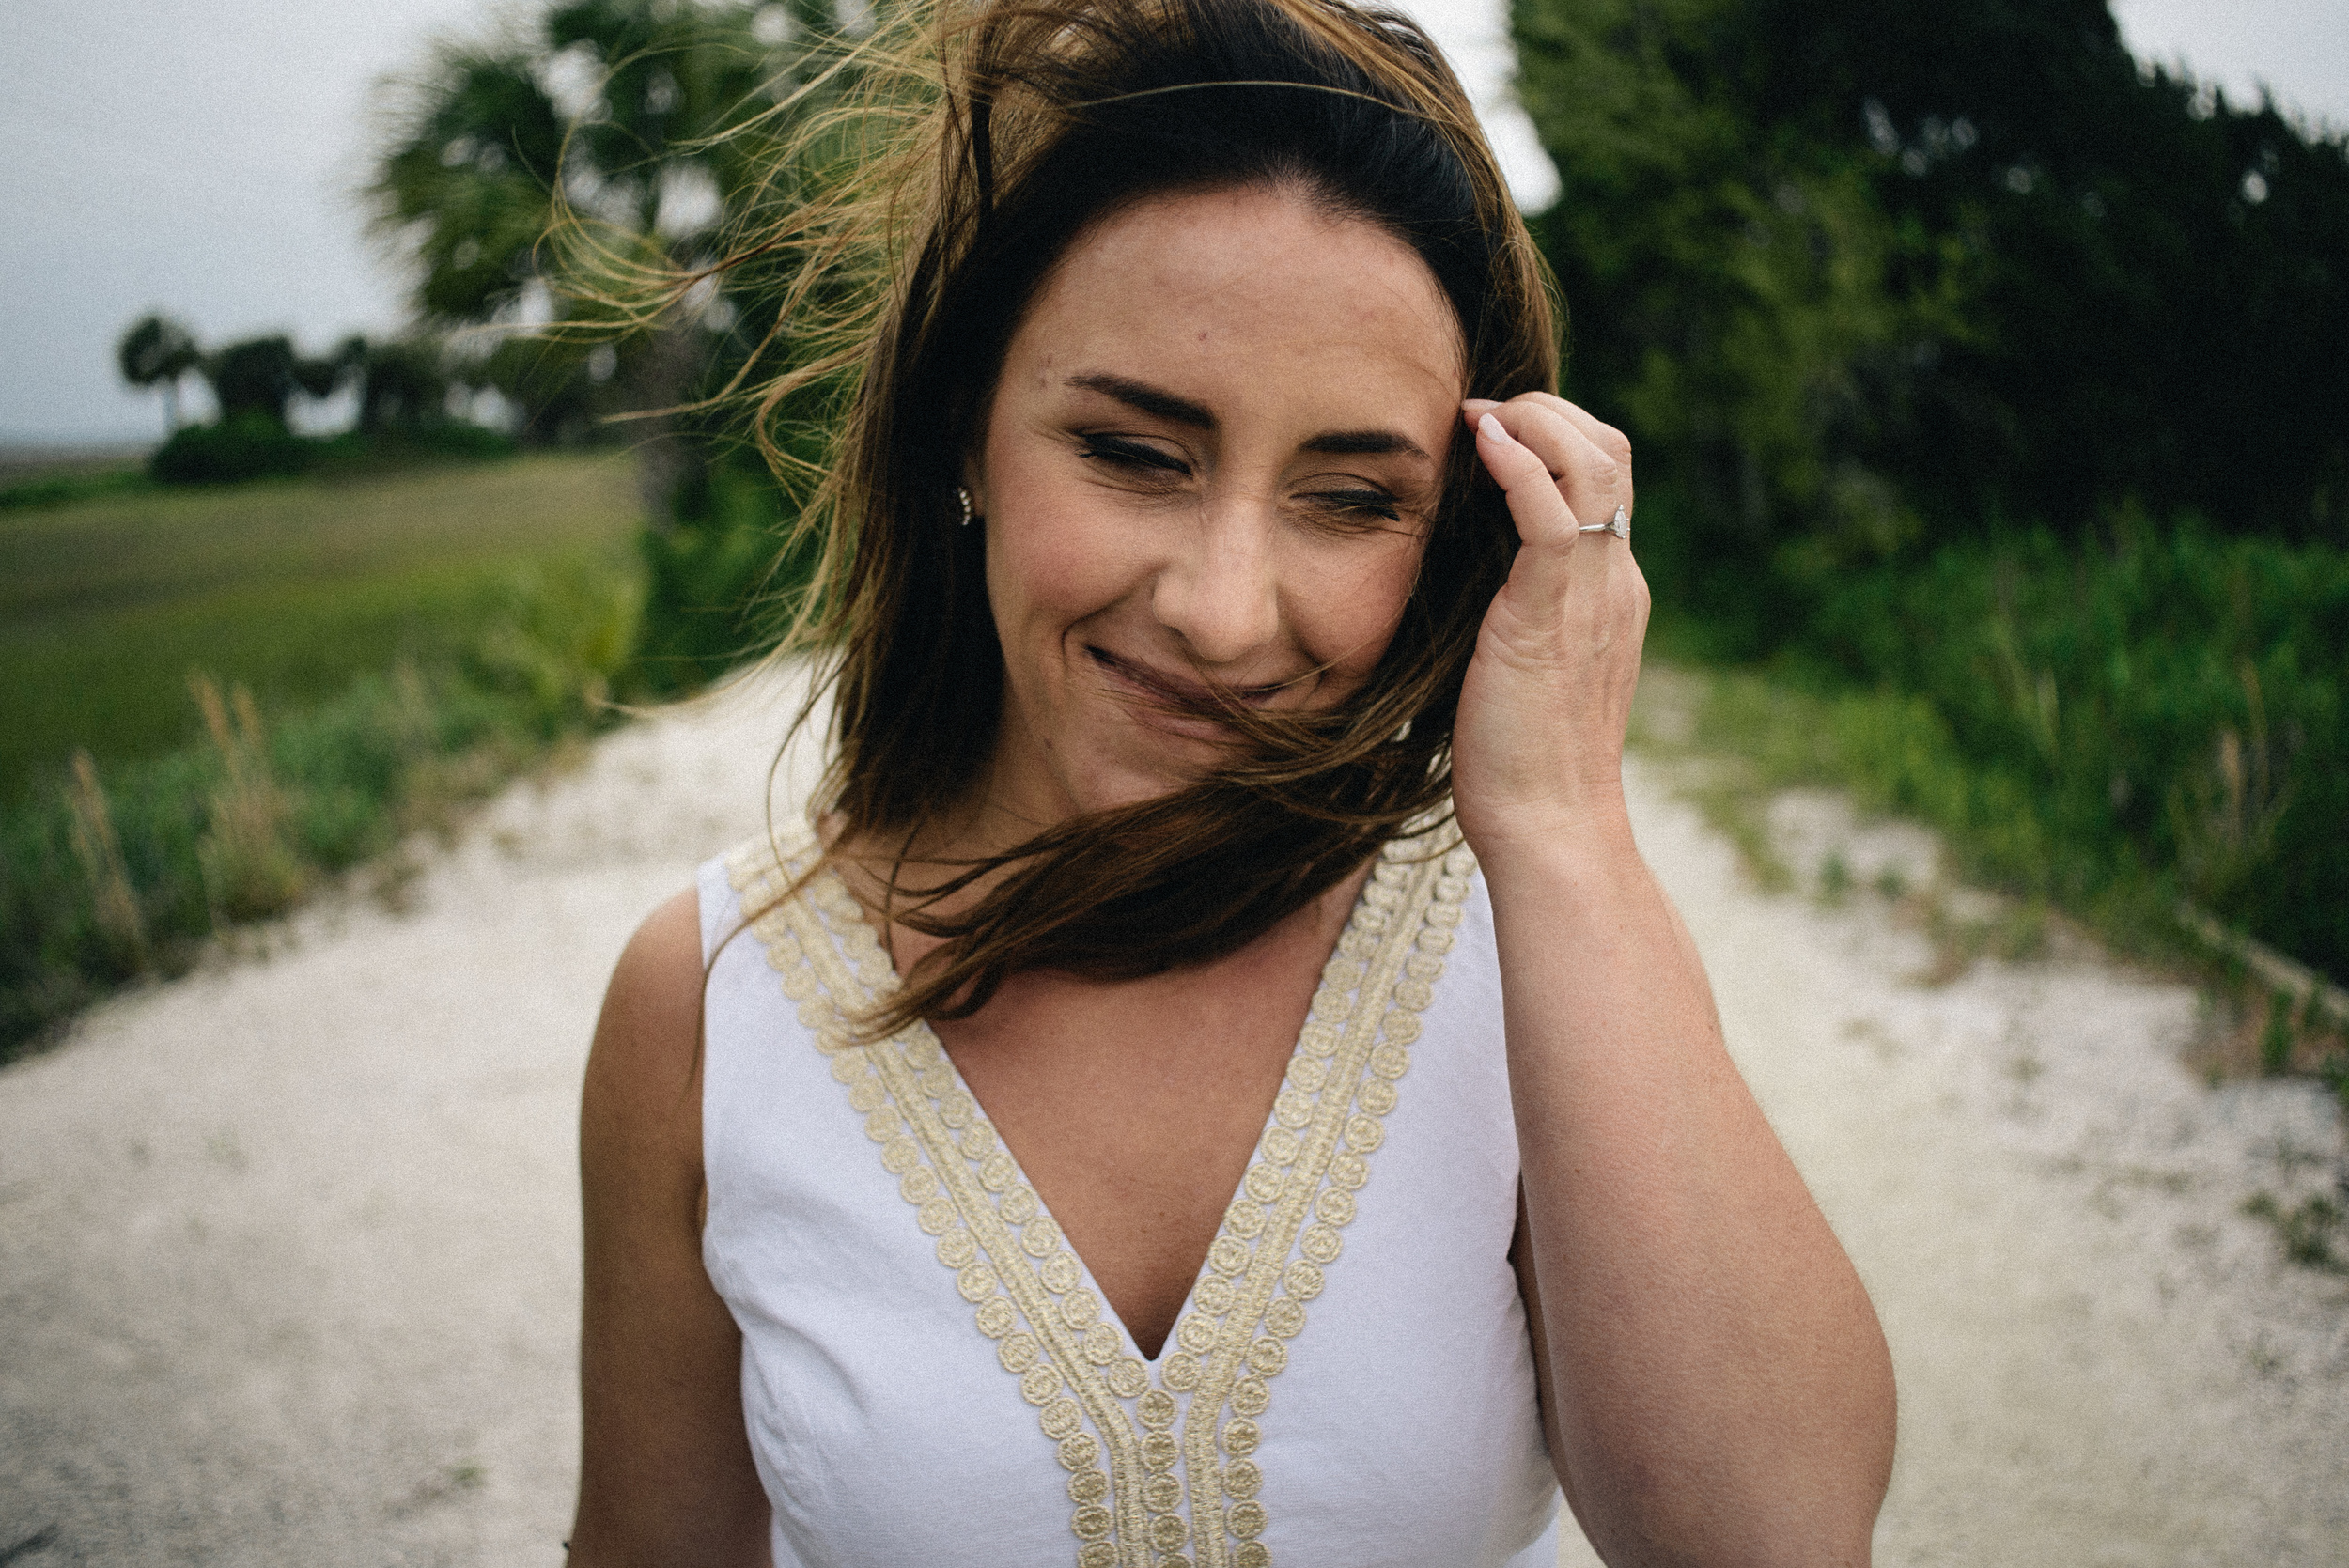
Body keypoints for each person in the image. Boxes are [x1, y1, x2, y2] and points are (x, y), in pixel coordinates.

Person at [568, 0, 1896, 1563]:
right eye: (1135, 453)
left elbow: (1775, 1538)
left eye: (1350, 497)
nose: (1221, 607)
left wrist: (1563, 826)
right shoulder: (711, 1006)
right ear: (965, 429)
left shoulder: (1525, 942)